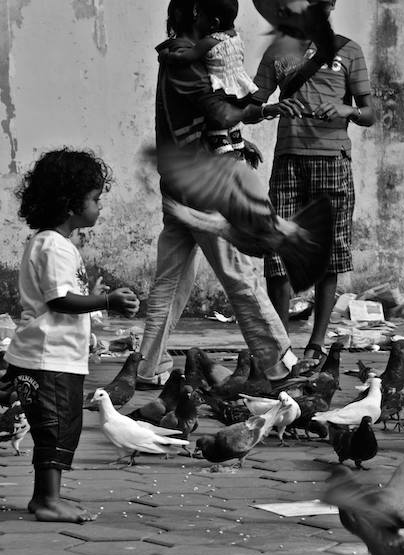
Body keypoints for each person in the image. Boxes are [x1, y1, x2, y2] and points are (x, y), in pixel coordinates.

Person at [137, 0, 303, 390]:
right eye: (218, 21)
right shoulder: (183, 59)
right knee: (238, 273)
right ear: (199, 17)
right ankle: (277, 364)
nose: (224, 31)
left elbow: (217, 116)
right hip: (202, 185)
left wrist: (238, 143)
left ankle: (146, 367)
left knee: (172, 280)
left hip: (180, 183)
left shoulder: (189, 56)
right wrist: (263, 111)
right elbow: (222, 112)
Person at [3, 148, 139, 522]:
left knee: (60, 428)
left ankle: (46, 497)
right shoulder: (53, 246)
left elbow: (64, 296)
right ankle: (47, 500)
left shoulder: (56, 245)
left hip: (55, 355)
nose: (99, 207)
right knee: (56, 427)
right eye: (95, 199)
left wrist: (92, 296)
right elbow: (60, 300)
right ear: (69, 204)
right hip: (49, 357)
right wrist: (106, 299)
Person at [251, 0, 373, 365]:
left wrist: (347, 109)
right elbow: (253, 102)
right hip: (289, 161)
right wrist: (270, 109)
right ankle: (280, 343)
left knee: (329, 254)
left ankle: (316, 342)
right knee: (278, 252)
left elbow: (369, 111)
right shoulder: (278, 51)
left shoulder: (348, 50)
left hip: (332, 160)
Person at [161, 0, 257, 156]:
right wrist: (262, 111)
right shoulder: (184, 54)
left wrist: (240, 143)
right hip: (191, 170)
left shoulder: (205, 51)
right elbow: (221, 116)